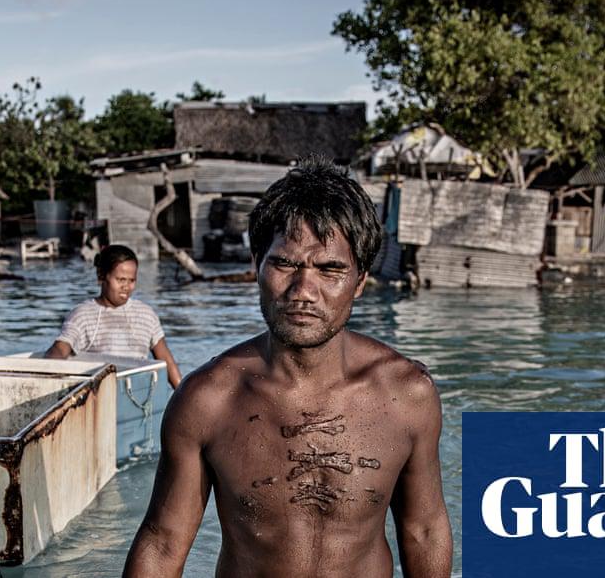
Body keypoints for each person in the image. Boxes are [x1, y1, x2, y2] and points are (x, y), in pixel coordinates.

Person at [123, 159, 452, 577]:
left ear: (359, 281)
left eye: (330, 269)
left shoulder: (407, 395)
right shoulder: (208, 400)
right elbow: (163, 542)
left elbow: (424, 529)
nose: (303, 291)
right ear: (256, 265)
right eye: (285, 264)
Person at [45, 245, 181, 389]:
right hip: (97, 394)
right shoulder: (82, 315)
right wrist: (47, 373)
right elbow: (60, 349)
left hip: (137, 393)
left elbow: (166, 361)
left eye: (131, 280)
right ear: (101, 276)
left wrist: (182, 391)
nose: (126, 286)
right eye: (120, 280)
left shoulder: (146, 315)